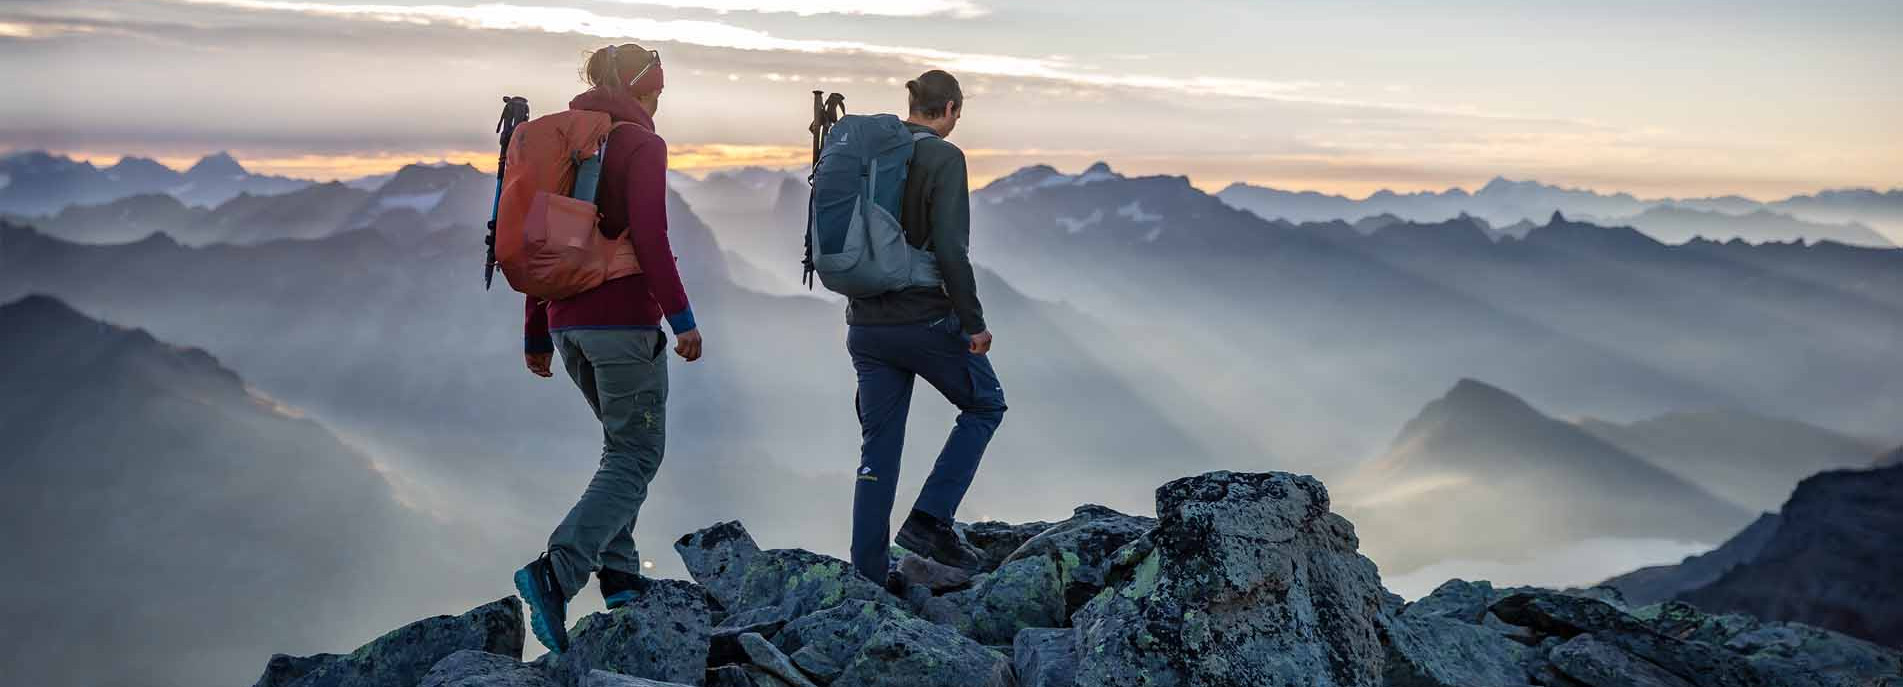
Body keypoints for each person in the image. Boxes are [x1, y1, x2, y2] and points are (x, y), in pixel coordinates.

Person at [512, 43, 702, 655]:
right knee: (637, 453)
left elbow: (552, 242)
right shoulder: (641, 146)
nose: (659, 104)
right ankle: (557, 573)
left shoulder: (576, 144)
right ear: (642, 90)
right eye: (658, 93)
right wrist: (682, 318)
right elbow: (650, 233)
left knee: (621, 447)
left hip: (569, 328)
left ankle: (620, 578)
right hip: (622, 325)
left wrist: (537, 329)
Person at [846, 70, 1007, 586]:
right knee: (985, 403)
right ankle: (930, 520)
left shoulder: (869, 153)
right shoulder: (944, 157)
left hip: (866, 323)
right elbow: (951, 250)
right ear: (953, 109)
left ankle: (868, 575)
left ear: (912, 102)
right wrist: (974, 323)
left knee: (879, 447)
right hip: (924, 320)